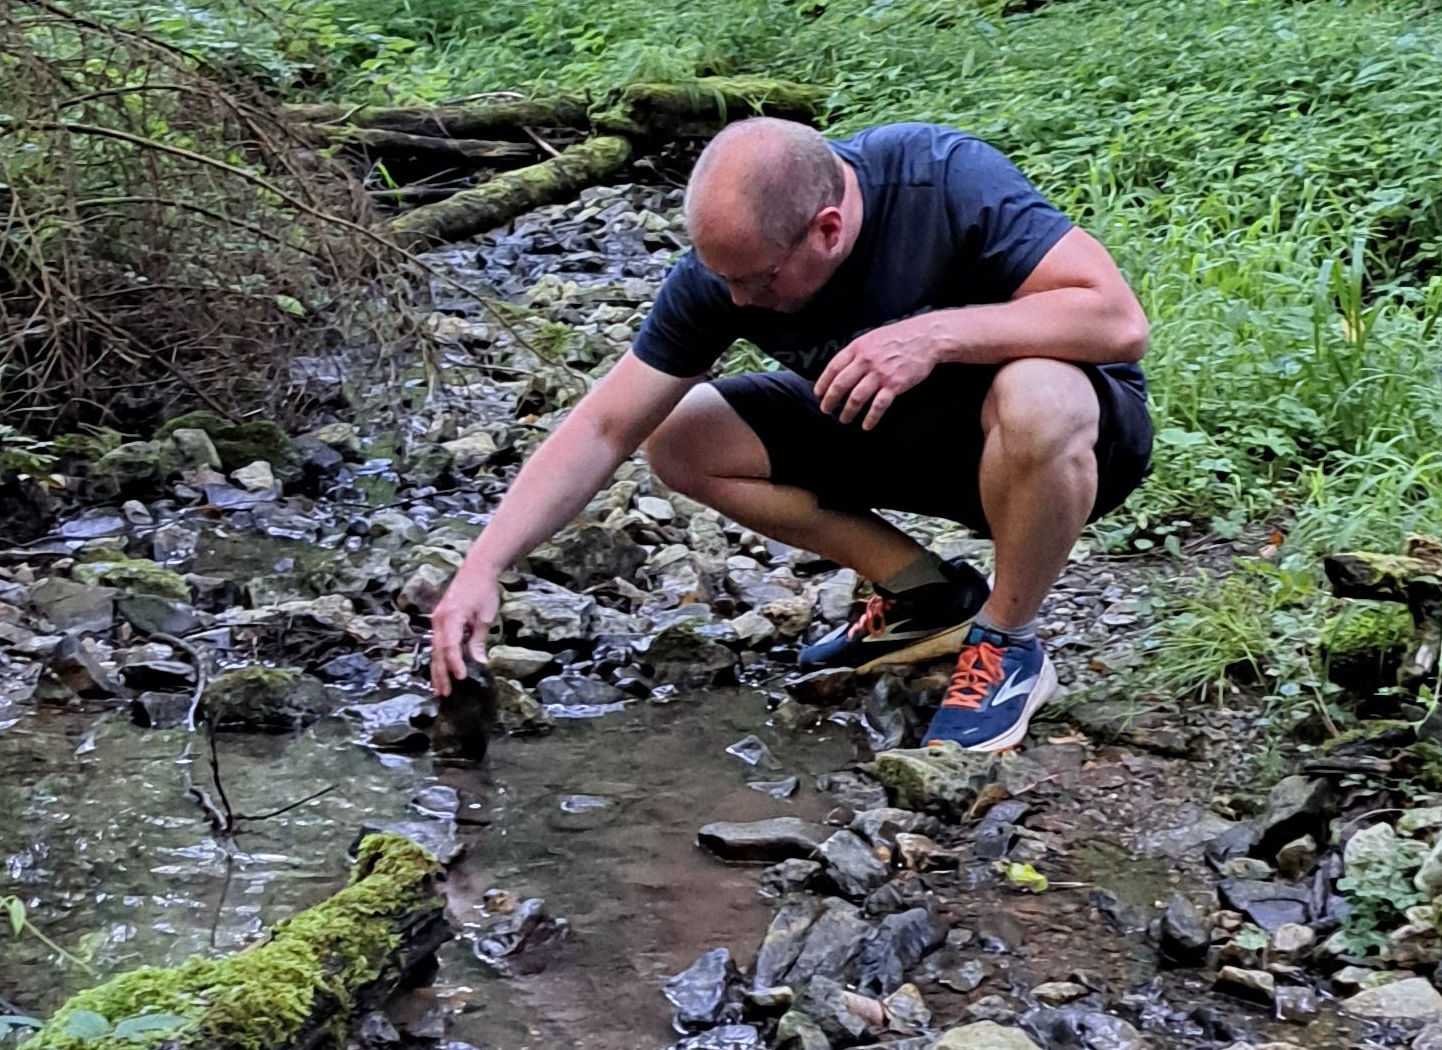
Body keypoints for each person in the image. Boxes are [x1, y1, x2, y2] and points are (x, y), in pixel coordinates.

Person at [426, 112, 1151, 755]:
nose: (739, 300)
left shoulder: (942, 179)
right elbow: (606, 425)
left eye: (759, 281)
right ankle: (926, 596)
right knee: (680, 435)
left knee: (1038, 393)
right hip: (905, 435)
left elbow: (1118, 322)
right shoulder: (732, 268)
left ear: (827, 229)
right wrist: (484, 565)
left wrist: (938, 335)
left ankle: (1007, 640)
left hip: (1063, 443)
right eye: (724, 278)